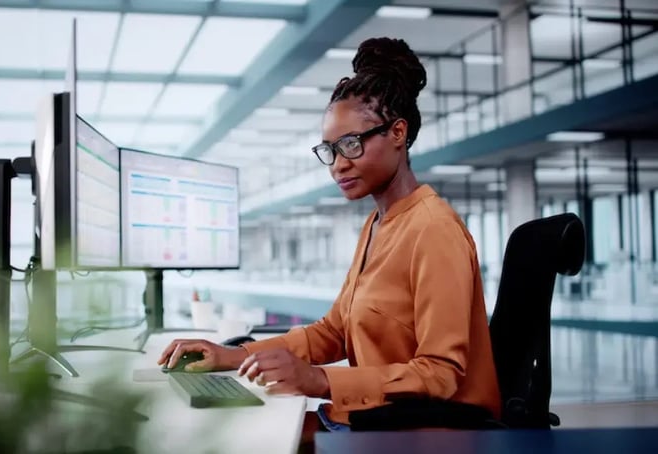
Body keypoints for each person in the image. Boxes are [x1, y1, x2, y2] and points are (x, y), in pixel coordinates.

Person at [158, 37, 501, 443]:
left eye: (351, 145)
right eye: (330, 150)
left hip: (429, 431)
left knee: (249, 441)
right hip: (378, 418)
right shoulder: (378, 223)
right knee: (233, 430)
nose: (338, 165)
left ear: (398, 132)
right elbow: (334, 332)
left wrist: (319, 380)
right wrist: (233, 355)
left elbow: (440, 375)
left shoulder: (433, 229)